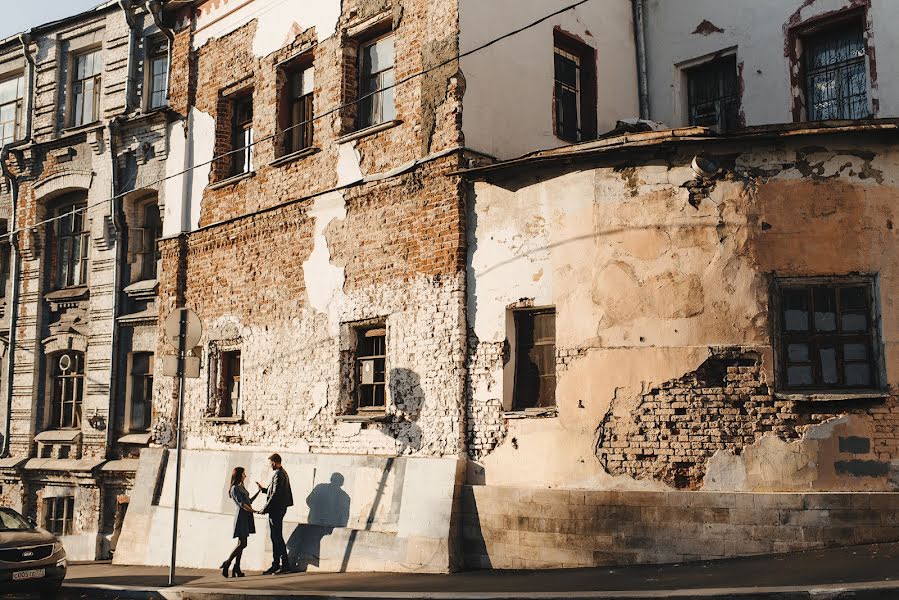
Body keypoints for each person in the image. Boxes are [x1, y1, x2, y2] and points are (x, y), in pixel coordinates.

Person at [257, 453, 294, 574]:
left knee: (277, 537)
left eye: (270, 463)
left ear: (274, 462)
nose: (270, 466)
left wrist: (265, 508)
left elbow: (275, 494)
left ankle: (285, 565)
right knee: (275, 537)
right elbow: (273, 491)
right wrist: (263, 490)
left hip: (276, 510)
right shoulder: (281, 473)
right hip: (277, 509)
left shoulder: (279, 474)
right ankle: (276, 564)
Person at [220, 466, 259, 578]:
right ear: (239, 475)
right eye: (243, 474)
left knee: (241, 544)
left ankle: (237, 567)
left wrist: (258, 492)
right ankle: (227, 563)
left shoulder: (241, 486)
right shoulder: (234, 489)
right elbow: (241, 504)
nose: (245, 476)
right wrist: (254, 511)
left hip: (246, 516)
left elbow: (248, 501)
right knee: (243, 544)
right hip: (242, 517)